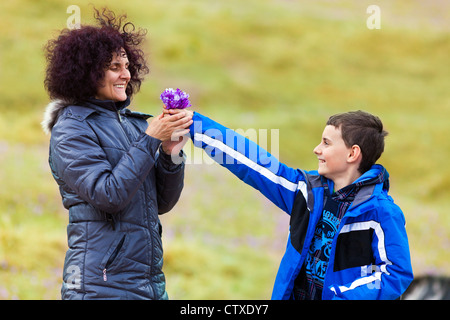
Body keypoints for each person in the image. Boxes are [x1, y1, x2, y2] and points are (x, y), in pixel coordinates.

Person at [165, 107, 413, 300]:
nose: (317, 149)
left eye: (326, 143)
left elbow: (396, 272)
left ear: (352, 154)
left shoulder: (381, 212)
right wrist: (196, 124)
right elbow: (253, 162)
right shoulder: (306, 193)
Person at [42, 8, 192, 299]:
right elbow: (108, 195)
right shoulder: (71, 128)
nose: (126, 74)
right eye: (114, 67)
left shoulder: (134, 125)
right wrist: (150, 140)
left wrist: (169, 154)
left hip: (148, 285)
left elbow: (161, 203)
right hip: (99, 286)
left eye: (126, 65)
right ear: (87, 73)